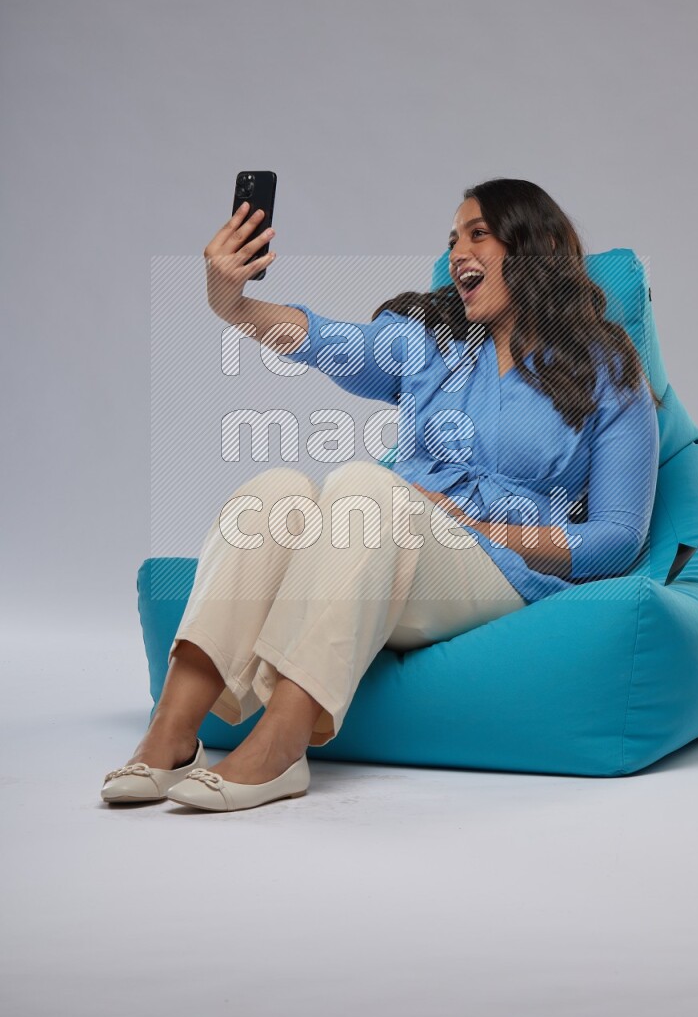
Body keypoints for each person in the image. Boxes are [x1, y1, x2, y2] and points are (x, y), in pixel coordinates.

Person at [101, 177, 661, 812]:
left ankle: (280, 748)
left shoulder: (608, 375)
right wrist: (233, 307)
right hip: (388, 552)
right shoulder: (435, 341)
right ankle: (171, 737)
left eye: (479, 235)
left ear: (538, 248)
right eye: (453, 239)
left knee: (367, 487)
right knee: (275, 492)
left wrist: (479, 529)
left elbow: (618, 539)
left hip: (499, 573)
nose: (458, 253)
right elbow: (324, 339)